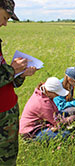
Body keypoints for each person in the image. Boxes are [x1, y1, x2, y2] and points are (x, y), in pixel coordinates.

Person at [0, 1, 37, 165]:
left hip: (7, 114)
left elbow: (7, 82)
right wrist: (11, 70)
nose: (4, 24)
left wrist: (20, 74)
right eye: (4, 17)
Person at [19, 77, 75, 141]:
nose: (57, 95)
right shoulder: (43, 103)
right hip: (32, 131)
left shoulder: (44, 91)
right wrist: (72, 118)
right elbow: (57, 122)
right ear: (49, 92)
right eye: (56, 93)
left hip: (45, 120)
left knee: (74, 110)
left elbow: (54, 113)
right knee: (67, 134)